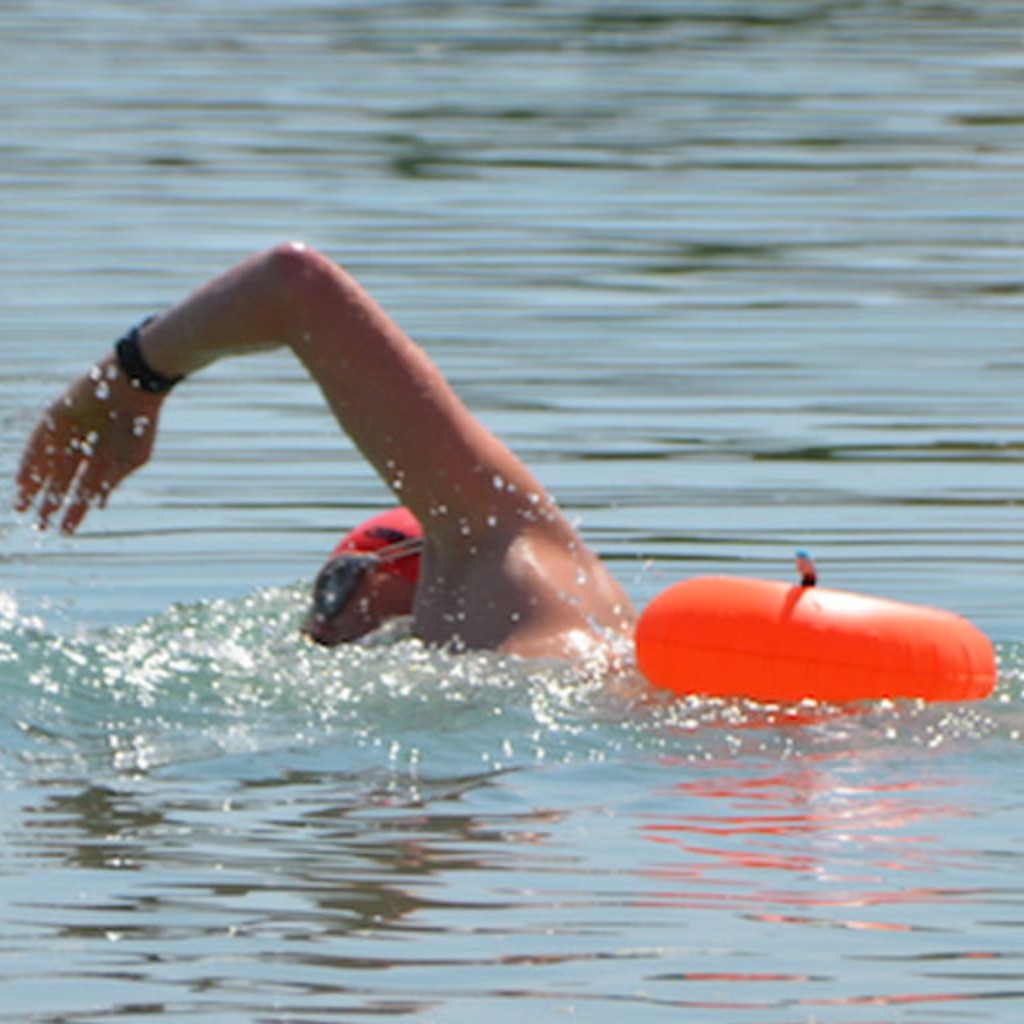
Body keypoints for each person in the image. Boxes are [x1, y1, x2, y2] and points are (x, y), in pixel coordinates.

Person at [14, 243, 635, 659]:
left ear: (418, 562)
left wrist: (130, 380)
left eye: (339, 582)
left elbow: (294, 282)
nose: (319, 621)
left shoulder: (497, 550)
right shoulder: (573, 632)